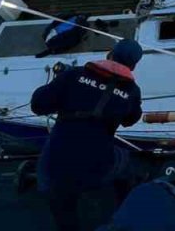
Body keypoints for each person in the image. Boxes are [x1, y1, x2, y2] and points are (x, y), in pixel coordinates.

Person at [31, 39, 145, 231]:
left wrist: (60, 82)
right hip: (98, 168)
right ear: (133, 66)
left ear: (110, 54)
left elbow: (38, 105)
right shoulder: (132, 91)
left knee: (61, 204)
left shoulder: (73, 75)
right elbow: (130, 120)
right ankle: (126, 207)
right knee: (124, 160)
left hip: (55, 168)